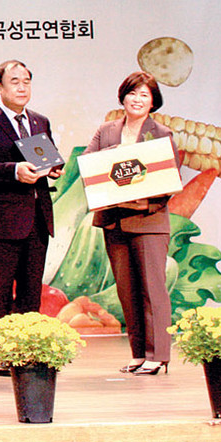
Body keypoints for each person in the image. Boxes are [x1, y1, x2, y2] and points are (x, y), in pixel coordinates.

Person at [84, 71, 179, 376]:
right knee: (127, 291)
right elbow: (89, 165)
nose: (137, 100)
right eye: (132, 93)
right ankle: (138, 353)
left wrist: (145, 202)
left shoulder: (161, 133)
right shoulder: (106, 131)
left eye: (144, 95)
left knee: (152, 289)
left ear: (153, 102)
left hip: (147, 220)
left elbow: (171, 175)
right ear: (122, 97)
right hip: (114, 221)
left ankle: (158, 354)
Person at [0, 61, 59, 375]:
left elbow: (47, 156)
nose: (22, 87)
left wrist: (54, 167)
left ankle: (26, 353)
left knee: (31, 292)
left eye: (27, 81)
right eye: (15, 81)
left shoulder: (39, 121)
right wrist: (14, 171)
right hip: (1, 220)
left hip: (38, 218)